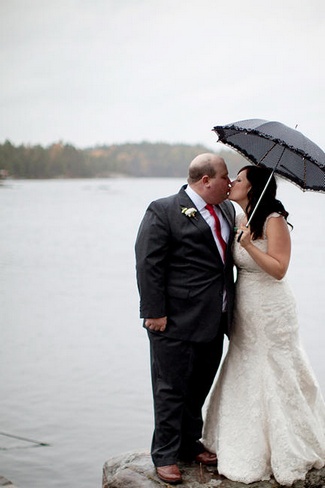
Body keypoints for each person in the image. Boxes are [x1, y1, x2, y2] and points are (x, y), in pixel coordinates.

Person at [201, 165, 325, 485]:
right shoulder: (240, 217)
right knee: (243, 363)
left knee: (274, 366)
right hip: (245, 307)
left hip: (272, 309)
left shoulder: (274, 220)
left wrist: (250, 247)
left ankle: (286, 445)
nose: (232, 183)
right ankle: (234, 438)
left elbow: (280, 269)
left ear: (253, 187)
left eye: (238, 180)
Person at [135, 153, 236, 484]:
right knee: (170, 388)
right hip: (174, 320)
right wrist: (154, 312)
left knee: (199, 387)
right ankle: (164, 454)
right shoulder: (163, 210)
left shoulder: (227, 209)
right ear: (206, 180)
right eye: (225, 177)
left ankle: (189, 443)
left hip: (215, 319)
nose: (230, 183)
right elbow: (148, 263)